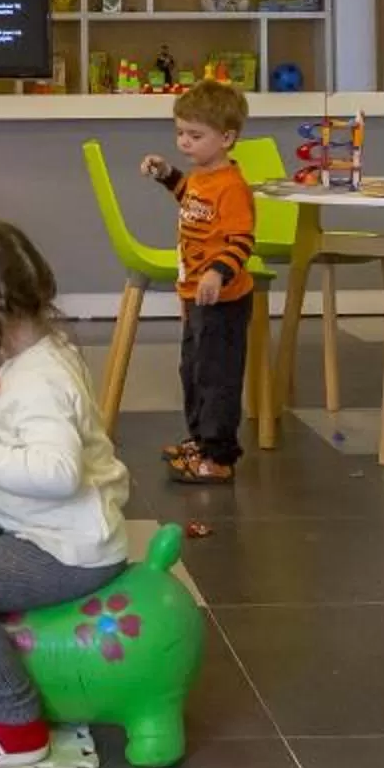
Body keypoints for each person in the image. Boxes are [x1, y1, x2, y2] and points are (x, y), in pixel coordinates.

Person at [0, 221, 133, 768]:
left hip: (66, 548)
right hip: (67, 531)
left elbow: (58, 471)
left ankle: (15, 723)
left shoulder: (37, 382)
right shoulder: (44, 352)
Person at [139, 79, 255, 486]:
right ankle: (199, 440)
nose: (184, 142)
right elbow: (188, 197)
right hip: (194, 297)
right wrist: (166, 174)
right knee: (191, 370)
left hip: (224, 301)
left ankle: (219, 455)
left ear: (226, 138)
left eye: (195, 135)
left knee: (217, 376)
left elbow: (241, 241)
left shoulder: (233, 188)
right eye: (180, 133)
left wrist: (216, 272)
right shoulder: (201, 178)